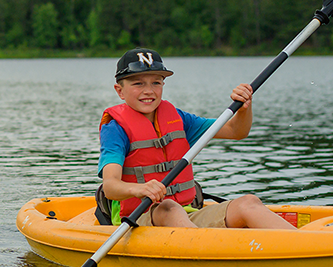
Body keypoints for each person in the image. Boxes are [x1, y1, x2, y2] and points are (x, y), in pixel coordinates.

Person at [96, 48, 294, 230]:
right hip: (137, 220)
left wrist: (244, 108)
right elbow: (111, 187)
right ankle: (204, 252)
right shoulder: (114, 128)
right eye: (138, 83)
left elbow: (236, 131)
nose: (148, 90)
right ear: (119, 91)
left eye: (156, 82)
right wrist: (140, 189)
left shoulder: (178, 118)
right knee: (168, 207)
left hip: (187, 215)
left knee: (248, 203)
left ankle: (300, 246)